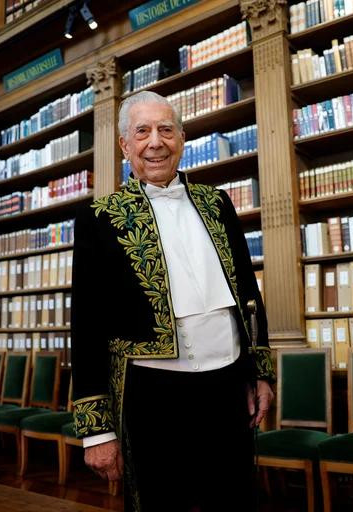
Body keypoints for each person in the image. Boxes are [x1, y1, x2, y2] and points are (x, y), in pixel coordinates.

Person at [70, 90, 275, 512]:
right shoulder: (99, 218)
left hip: (227, 385)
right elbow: (87, 326)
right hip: (151, 394)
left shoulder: (217, 204)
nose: (156, 142)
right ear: (125, 145)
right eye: (142, 132)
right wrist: (97, 431)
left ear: (182, 137)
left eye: (166, 129)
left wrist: (260, 372)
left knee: (234, 500)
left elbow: (248, 295)